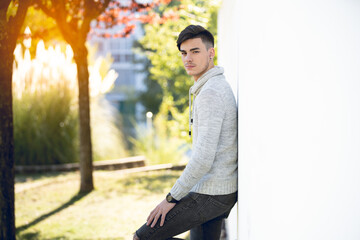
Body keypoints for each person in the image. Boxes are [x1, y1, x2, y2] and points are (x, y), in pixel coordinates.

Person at [134, 25, 238, 240]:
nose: (188, 58)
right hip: (217, 188)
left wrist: (171, 199)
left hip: (212, 193)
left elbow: (202, 159)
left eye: (195, 51)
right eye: (184, 53)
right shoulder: (210, 87)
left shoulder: (211, 93)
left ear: (211, 53)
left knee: (143, 238)